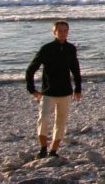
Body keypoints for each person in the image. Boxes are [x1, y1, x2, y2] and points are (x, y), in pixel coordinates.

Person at [25, 20, 82, 158]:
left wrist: (78, 89)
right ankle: (43, 148)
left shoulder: (71, 48)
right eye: (60, 31)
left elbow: (75, 69)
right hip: (48, 92)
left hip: (65, 93)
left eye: (65, 31)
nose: (63, 33)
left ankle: (53, 150)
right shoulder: (46, 49)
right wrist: (32, 89)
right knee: (43, 119)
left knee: (61, 123)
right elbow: (31, 69)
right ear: (54, 32)